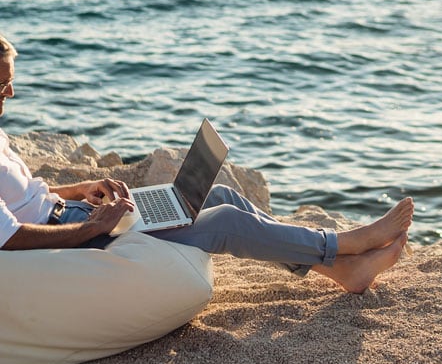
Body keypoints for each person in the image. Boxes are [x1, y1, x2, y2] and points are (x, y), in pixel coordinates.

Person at [0, 33, 413, 293]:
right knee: (225, 223)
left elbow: (24, 198)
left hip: (74, 214)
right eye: (4, 82)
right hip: (74, 235)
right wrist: (93, 226)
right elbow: (8, 237)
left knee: (219, 193)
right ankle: (341, 245)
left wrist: (79, 191)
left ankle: (340, 272)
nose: (12, 92)